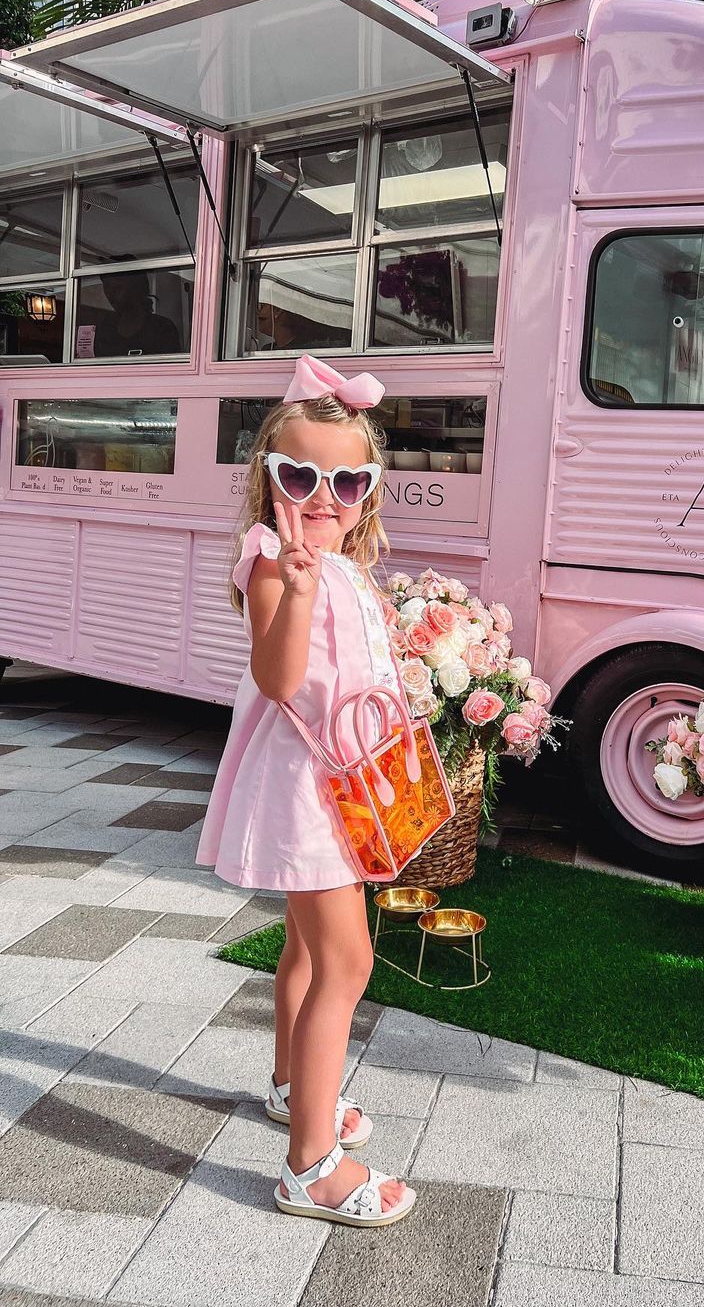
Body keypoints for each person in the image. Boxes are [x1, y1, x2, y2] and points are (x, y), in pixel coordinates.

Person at [194, 353, 416, 1229]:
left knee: (302, 950)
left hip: (346, 782)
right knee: (345, 962)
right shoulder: (274, 564)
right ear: (267, 479)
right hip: (308, 791)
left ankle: (294, 1091)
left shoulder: (346, 563)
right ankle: (311, 1167)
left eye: (348, 479)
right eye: (301, 475)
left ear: (368, 488)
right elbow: (279, 678)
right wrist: (295, 583)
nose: (324, 496)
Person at [95, 270, 182, 357]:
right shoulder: (107, 327)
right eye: (107, 287)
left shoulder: (162, 327)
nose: (111, 294)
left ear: (135, 288)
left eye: (118, 287)